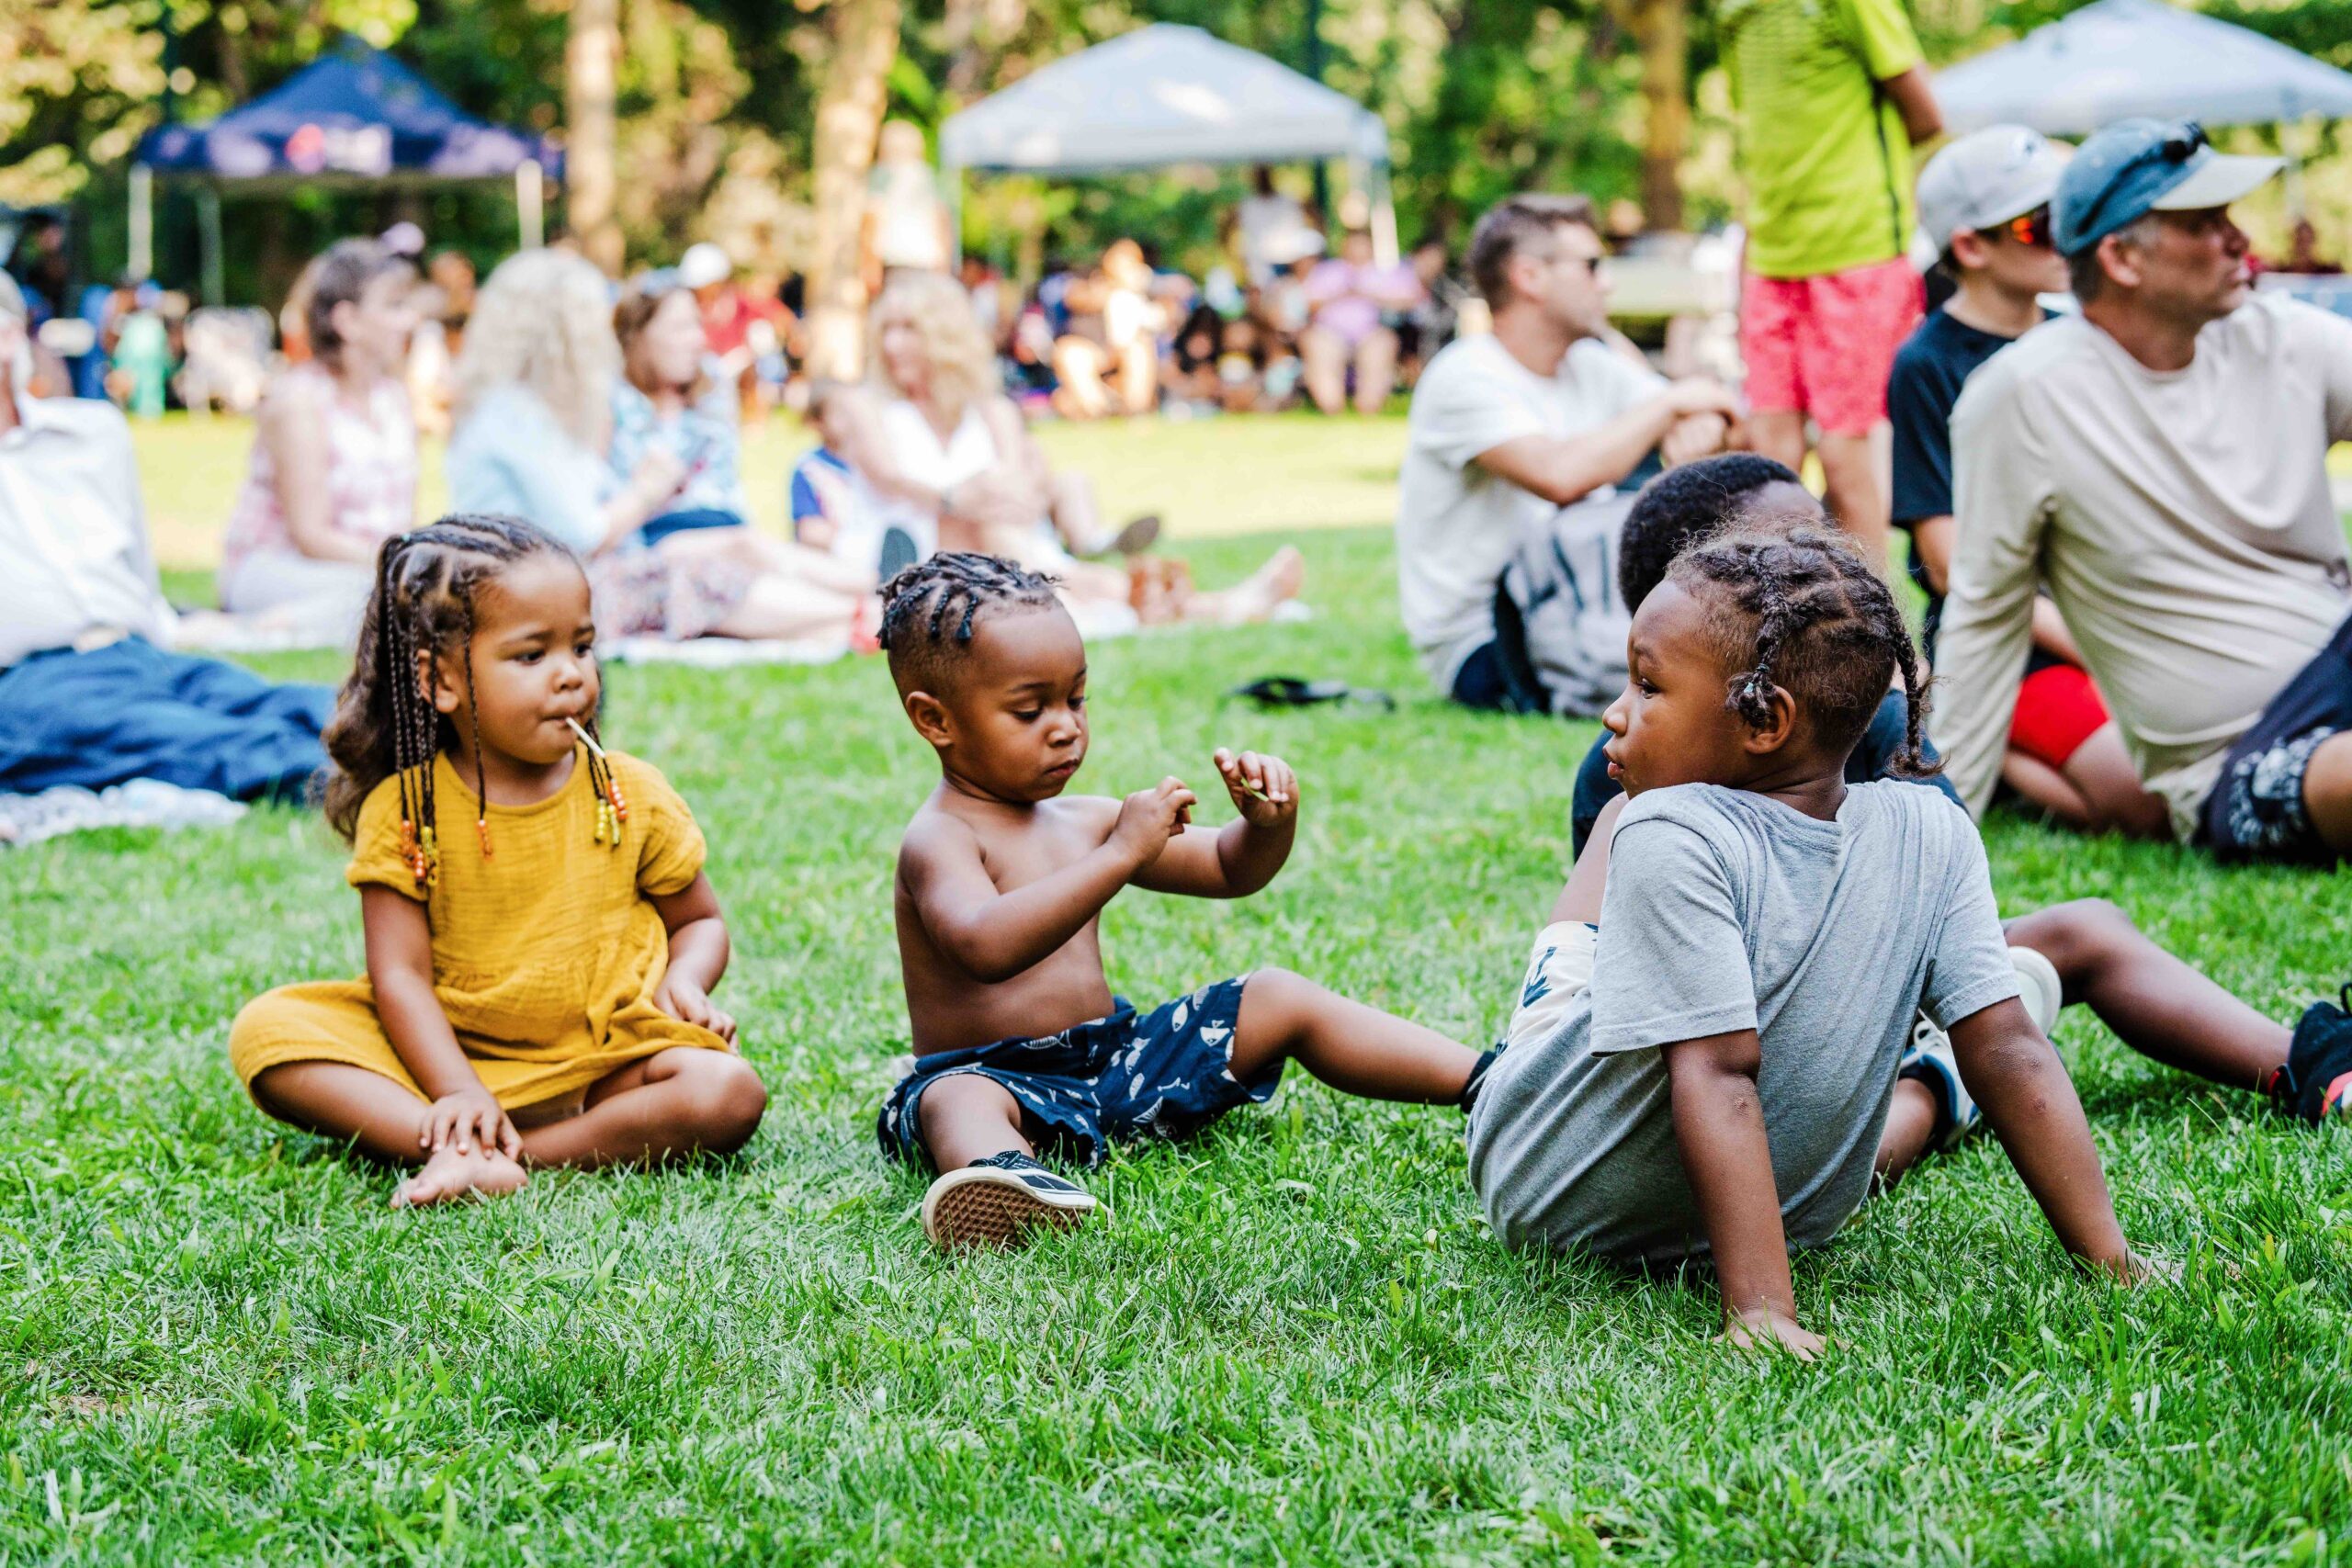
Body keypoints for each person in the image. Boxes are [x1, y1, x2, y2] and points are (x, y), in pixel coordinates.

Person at [1466, 525, 2154, 1359]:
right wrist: (2116, 1267)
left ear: (1766, 720)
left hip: (1566, 1199)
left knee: (1623, 823)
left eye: (1648, 686)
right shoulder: (1928, 825)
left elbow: (1727, 1073)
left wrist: (1763, 1312)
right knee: (1616, 848)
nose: (1616, 711)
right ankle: (1932, 1083)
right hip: (1554, 1143)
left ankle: (1930, 1085)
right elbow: (2008, 1046)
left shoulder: (1675, 830)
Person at [869, 554, 1491, 1249]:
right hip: (998, 1078)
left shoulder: (1087, 821)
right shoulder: (940, 839)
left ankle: (1489, 1082)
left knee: (1277, 994)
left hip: (1112, 1062)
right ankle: (1010, 1177)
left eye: (1075, 699)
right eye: (1028, 708)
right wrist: (1119, 855)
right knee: (954, 1100)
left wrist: (1265, 824)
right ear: (935, 720)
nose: (1065, 726)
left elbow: (1229, 869)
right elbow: (985, 944)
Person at [227, 516, 768, 1208]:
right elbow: (400, 977)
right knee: (269, 1033)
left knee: (726, 1090)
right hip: (445, 1057)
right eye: (531, 655)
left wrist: (686, 982)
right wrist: (457, 1087)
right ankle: (459, 1125)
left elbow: (700, 923)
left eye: (582, 645)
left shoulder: (627, 790)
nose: (570, 673)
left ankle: (496, 1153)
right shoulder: (406, 810)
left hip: (606, 1058)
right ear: (442, 679)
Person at [1935, 119, 2352, 863]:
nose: (2237, 237)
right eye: (2202, 223)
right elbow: (1985, 616)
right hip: (2244, 760)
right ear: (2121, 257)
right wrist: (1938, 839)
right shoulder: (2024, 396)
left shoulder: (2289, 338)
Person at [1892, 128, 2169, 839]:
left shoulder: (2082, 340)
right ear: (1971, 247)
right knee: (2148, 802)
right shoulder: (1927, 366)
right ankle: (1982, 743)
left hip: (2112, 623)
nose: (2064, 237)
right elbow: (1954, 565)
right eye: (2037, 223)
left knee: (2187, 778)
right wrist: (2098, 648)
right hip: (2016, 648)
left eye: (2070, 215)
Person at [0, 270, 332, 801]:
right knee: (205, 743)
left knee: (281, 701)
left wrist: (164, 628)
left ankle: (433, 747)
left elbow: (135, 560)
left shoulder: (91, 433)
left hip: (135, 651)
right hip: (27, 683)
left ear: (15, 335)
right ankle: (360, 787)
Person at [1396, 193, 1736, 711]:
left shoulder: (1588, 363)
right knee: (1721, 681)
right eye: (1592, 265)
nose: (1607, 282)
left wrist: (1694, 422)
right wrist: (1673, 404)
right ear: (1530, 277)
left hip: (1586, 609)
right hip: (1489, 643)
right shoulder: (1464, 377)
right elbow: (1561, 476)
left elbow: (1706, 416)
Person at [447, 249, 870, 646]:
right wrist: (648, 489)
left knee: (710, 566)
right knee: (689, 578)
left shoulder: (528, 411)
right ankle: (863, 616)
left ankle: (860, 614)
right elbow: (584, 534)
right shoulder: (517, 417)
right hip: (534, 597)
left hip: (562, 582)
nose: (602, 340)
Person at [1565, 454, 1958, 856]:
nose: (1827, 569)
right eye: (1789, 559)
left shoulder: (1864, 720)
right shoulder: (1615, 780)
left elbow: (1944, 857)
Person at [852, 275, 1293, 627]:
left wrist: (996, 495)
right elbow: (887, 477)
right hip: (910, 552)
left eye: (908, 330)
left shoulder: (991, 409)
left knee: (1003, 532)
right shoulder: (870, 407)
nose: (893, 345)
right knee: (987, 532)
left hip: (1002, 541)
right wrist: (957, 497)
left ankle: (1173, 599)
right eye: (886, 330)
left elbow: (1019, 482)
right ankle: (1196, 602)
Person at [1722, 0, 1944, 570]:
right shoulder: (1731, 11)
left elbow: (1925, 115)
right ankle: (1784, 621)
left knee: (1848, 457)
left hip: (1857, 253)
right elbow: (1762, 137)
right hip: (1771, 259)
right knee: (1770, 460)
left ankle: (1879, 641)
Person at [218, 239, 422, 645]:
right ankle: (242, 632)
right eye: (394, 306)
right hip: (277, 566)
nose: (410, 320)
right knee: (393, 600)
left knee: (418, 599)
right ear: (347, 320)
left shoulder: (393, 399)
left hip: (364, 568)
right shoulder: (299, 402)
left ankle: (303, 624)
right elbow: (310, 536)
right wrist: (402, 566)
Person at [1299, 227, 1424, 416]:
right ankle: (1332, 408)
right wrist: (1340, 294)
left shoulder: (1387, 271)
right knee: (1319, 347)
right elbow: (1307, 302)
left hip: (1373, 333)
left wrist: (1369, 294)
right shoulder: (1327, 270)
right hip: (1328, 333)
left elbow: (1412, 298)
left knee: (1380, 348)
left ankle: (1368, 407)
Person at [863, 120, 955, 295]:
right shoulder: (930, 177)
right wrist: (944, 267)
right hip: (927, 265)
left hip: (893, 264)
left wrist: (870, 265)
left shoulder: (881, 176)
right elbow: (943, 222)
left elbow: (871, 220)